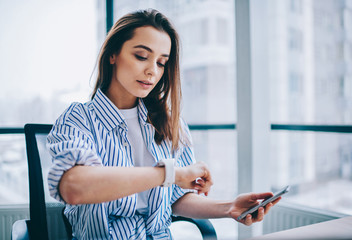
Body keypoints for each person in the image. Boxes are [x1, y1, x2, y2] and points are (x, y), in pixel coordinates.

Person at [47, 9, 280, 240]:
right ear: (113, 55)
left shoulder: (168, 122)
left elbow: (177, 198)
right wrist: (169, 174)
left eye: (161, 62)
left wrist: (229, 208)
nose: (152, 71)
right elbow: (73, 188)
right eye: (141, 56)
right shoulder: (78, 118)